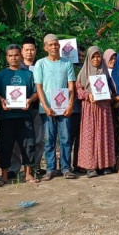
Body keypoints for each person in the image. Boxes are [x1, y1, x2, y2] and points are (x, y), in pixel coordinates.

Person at [33, 34, 78, 180]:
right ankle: (50, 169)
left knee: (66, 138)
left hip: (64, 108)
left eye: (56, 44)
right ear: (45, 47)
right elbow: (39, 87)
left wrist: (70, 104)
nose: (54, 47)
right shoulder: (40, 64)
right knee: (49, 139)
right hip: (47, 109)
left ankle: (66, 168)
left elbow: (71, 86)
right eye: (50, 45)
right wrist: (45, 106)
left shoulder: (67, 63)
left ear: (59, 46)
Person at [0, 44, 39, 185]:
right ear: (6, 58)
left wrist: (29, 100)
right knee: (5, 146)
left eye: (16, 55)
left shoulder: (29, 74)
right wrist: (1, 100)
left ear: (21, 55)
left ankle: (28, 174)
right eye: (10, 55)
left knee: (28, 144)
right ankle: (4, 175)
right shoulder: (1, 75)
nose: (13, 58)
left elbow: (36, 92)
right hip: (6, 117)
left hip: (25, 115)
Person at [76, 46, 117, 178]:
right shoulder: (83, 72)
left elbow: (112, 89)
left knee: (104, 134)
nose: (96, 59)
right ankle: (90, 166)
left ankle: (105, 165)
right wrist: (87, 95)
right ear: (88, 58)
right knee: (90, 136)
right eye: (93, 57)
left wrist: (108, 94)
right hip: (89, 107)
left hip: (104, 108)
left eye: (98, 56)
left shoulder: (105, 72)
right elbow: (78, 90)